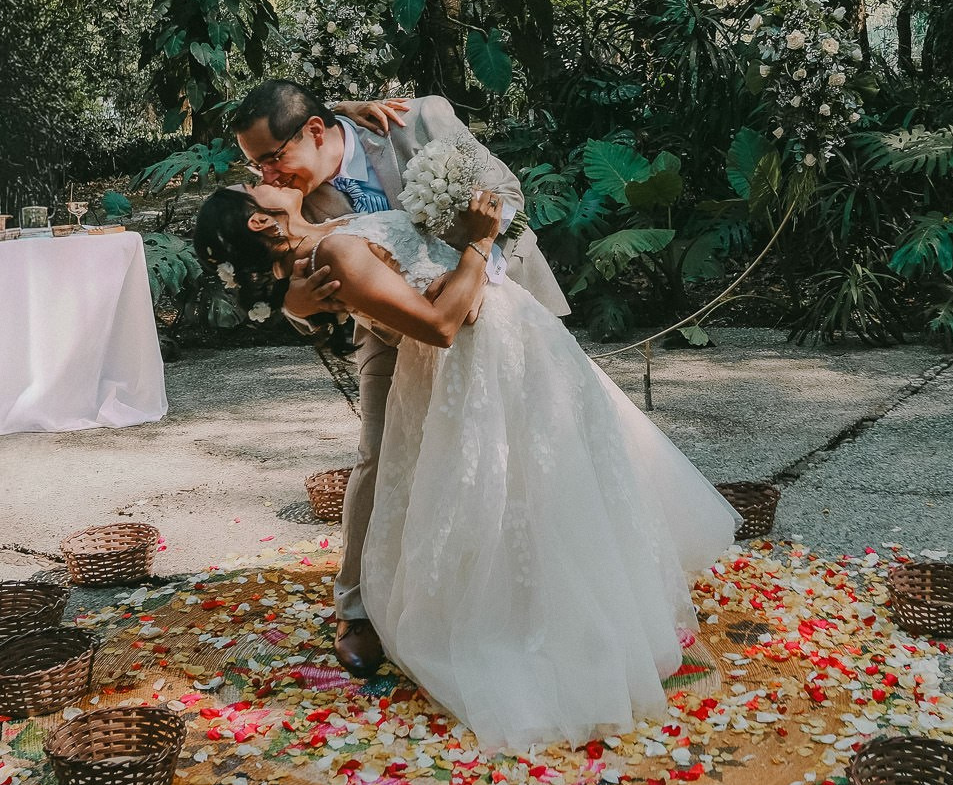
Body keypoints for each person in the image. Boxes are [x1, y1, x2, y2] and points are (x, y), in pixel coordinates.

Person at [195, 175, 738, 750]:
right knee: (511, 489)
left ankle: (567, 609)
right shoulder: (333, 252)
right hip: (479, 356)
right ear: (259, 220)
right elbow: (441, 325)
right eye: (253, 184)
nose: (265, 177)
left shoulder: (327, 233)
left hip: (513, 340)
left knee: (540, 481)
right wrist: (479, 241)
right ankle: (533, 625)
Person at [217, 82, 570, 680]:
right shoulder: (290, 200)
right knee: (381, 454)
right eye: (255, 165)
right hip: (390, 333)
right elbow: (266, 258)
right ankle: (356, 609)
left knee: (534, 443)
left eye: (272, 157)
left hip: (503, 298)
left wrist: (472, 262)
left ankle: (532, 580)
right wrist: (293, 306)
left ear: (316, 132)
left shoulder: (417, 120)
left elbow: (507, 195)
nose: (267, 172)